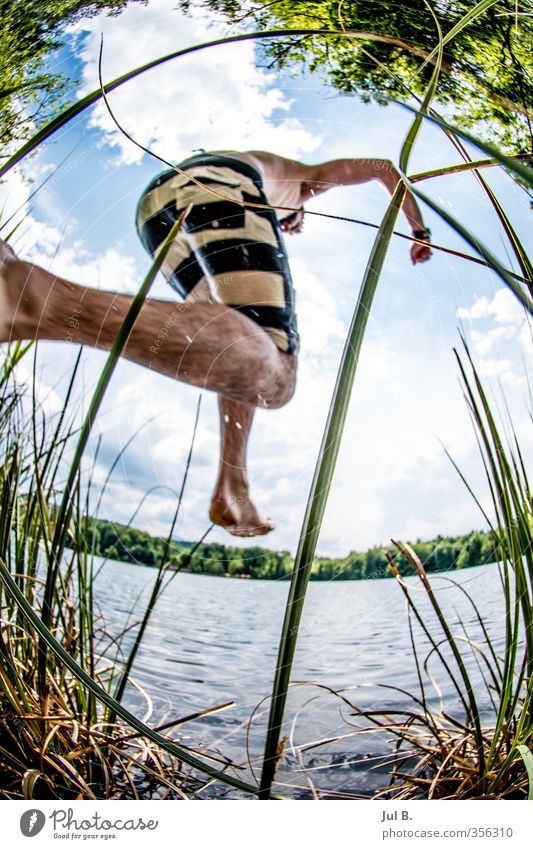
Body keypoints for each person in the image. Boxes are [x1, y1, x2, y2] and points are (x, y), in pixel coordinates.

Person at [0, 150, 431, 537]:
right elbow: (381, 168)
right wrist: (418, 227)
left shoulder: (273, 181)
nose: (289, 226)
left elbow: (232, 345)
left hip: (156, 206)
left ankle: (233, 481)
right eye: (291, 222)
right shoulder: (305, 179)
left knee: (233, 339)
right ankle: (34, 300)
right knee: (277, 375)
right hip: (222, 182)